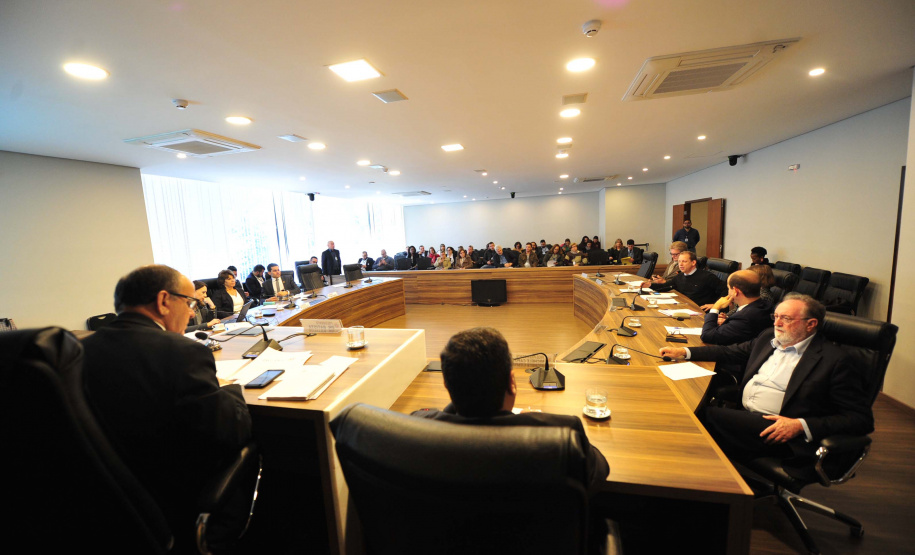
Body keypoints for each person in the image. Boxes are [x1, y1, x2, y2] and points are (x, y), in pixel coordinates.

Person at [81, 265, 252, 549]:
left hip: (108, 501)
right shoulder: (181, 350)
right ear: (163, 301)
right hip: (176, 494)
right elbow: (229, 431)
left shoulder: (81, 348)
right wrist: (231, 389)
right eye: (189, 303)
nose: (191, 313)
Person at [659, 294, 873, 472]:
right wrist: (684, 352)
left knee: (696, 417)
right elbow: (730, 351)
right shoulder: (769, 338)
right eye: (776, 316)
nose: (777, 323)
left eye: (786, 319)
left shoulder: (835, 360)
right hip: (746, 417)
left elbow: (860, 419)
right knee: (692, 420)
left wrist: (800, 425)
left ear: (811, 324)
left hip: (782, 433)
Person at [411, 327, 609, 493]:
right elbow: (599, 470)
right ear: (512, 382)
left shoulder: (418, 428)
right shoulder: (564, 434)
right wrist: (535, 422)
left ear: (447, 384)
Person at [698, 270, 773, 346]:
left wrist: (715, 307)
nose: (728, 291)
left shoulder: (745, 316)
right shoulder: (764, 305)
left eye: (728, 288)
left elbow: (707, 336)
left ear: (735, 291)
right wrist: (728, 321)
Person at [642, 251, 726, 306]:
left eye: (684, 261)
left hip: (700, 311)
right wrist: (649, 285)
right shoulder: (680, 276)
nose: (680, 264)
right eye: (679, 261)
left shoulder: (707, 277)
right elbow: (666, 286)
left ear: (693, 262)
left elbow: (726, 291)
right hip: (685, 307)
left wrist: (715, 305)